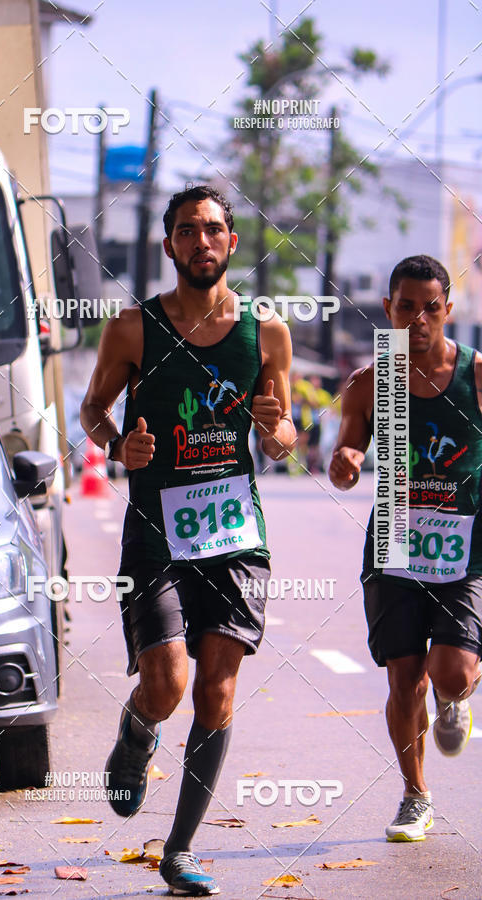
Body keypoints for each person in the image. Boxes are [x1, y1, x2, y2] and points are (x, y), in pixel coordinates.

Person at [80, 185, 295, 895]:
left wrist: (274, 428)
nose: (201, 242)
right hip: (157, 535)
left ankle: (178, 851)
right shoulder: (132, 329)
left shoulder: (266, 332)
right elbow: (91, 411)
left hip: (234, 536)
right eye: (186, 232)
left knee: (218, 692)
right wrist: (119, 448)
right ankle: (138, 733)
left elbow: (286, 435)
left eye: (212, 230)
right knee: (168, 682)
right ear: (169, 246)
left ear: (232, 243)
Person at [329, 254, 482, 842]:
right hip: (393, 543)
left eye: (431, 308)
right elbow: (347, 458)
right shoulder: (374, 382)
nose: (418, 319)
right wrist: (346, 463)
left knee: (452, 670)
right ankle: (416, 796)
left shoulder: (474, 375)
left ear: (448, 309)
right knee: (404, 678)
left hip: (464, 547)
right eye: (406, 307)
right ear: (388, 309)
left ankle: (456, 695)